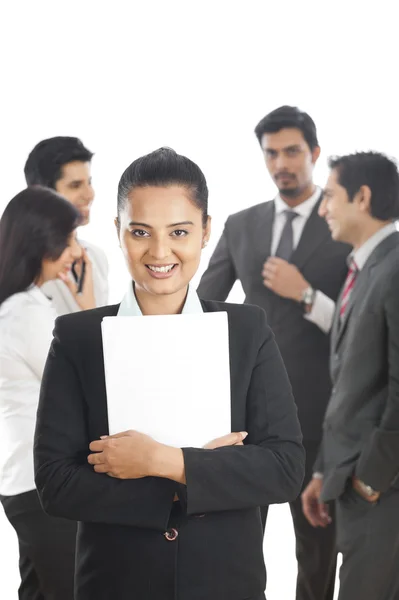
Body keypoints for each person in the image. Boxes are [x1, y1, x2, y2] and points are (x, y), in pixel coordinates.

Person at [34, 147, 305, 600]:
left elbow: (284, 469)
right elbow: (56, 484)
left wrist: (162, 462)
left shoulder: (247, 330)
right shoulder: (78, 337)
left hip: (224, 581)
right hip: (116, 582)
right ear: (118, 232)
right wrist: (194, 481)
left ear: (205, 232)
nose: (160, 252)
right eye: (141, 232)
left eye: (179, 231)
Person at [197, 106, 349, 600]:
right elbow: (202, 309)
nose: (281, 162)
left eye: (292, 151)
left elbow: (367, 325)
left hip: (317, 418)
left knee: (317, 550)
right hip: (247, 420)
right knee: (237, 546)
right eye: (271, 153)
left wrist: (305, 294)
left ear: (315, 154)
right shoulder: (242, 225)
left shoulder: (346, 221)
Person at [301, 152, 399, 600]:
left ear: (362, 197)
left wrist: (372, 479)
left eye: (330, 196)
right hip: (352, 483)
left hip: (382, 490)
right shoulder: (363, 268)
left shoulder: (395, 270)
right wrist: (324, 470)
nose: (323, 208)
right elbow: (351, 385)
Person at [0, 186, 85, 599]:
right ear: (41, 240)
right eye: (68, 239)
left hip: (27, 483)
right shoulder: (24, 314)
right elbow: (83, 384)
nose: (74, 250)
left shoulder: (26, 304)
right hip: (39, 486)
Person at [24, 136, 108, 314]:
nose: (89, 194)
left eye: (89, 182)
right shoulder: (20, 264)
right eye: (75, 185)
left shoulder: (97, 258)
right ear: (43, 193)